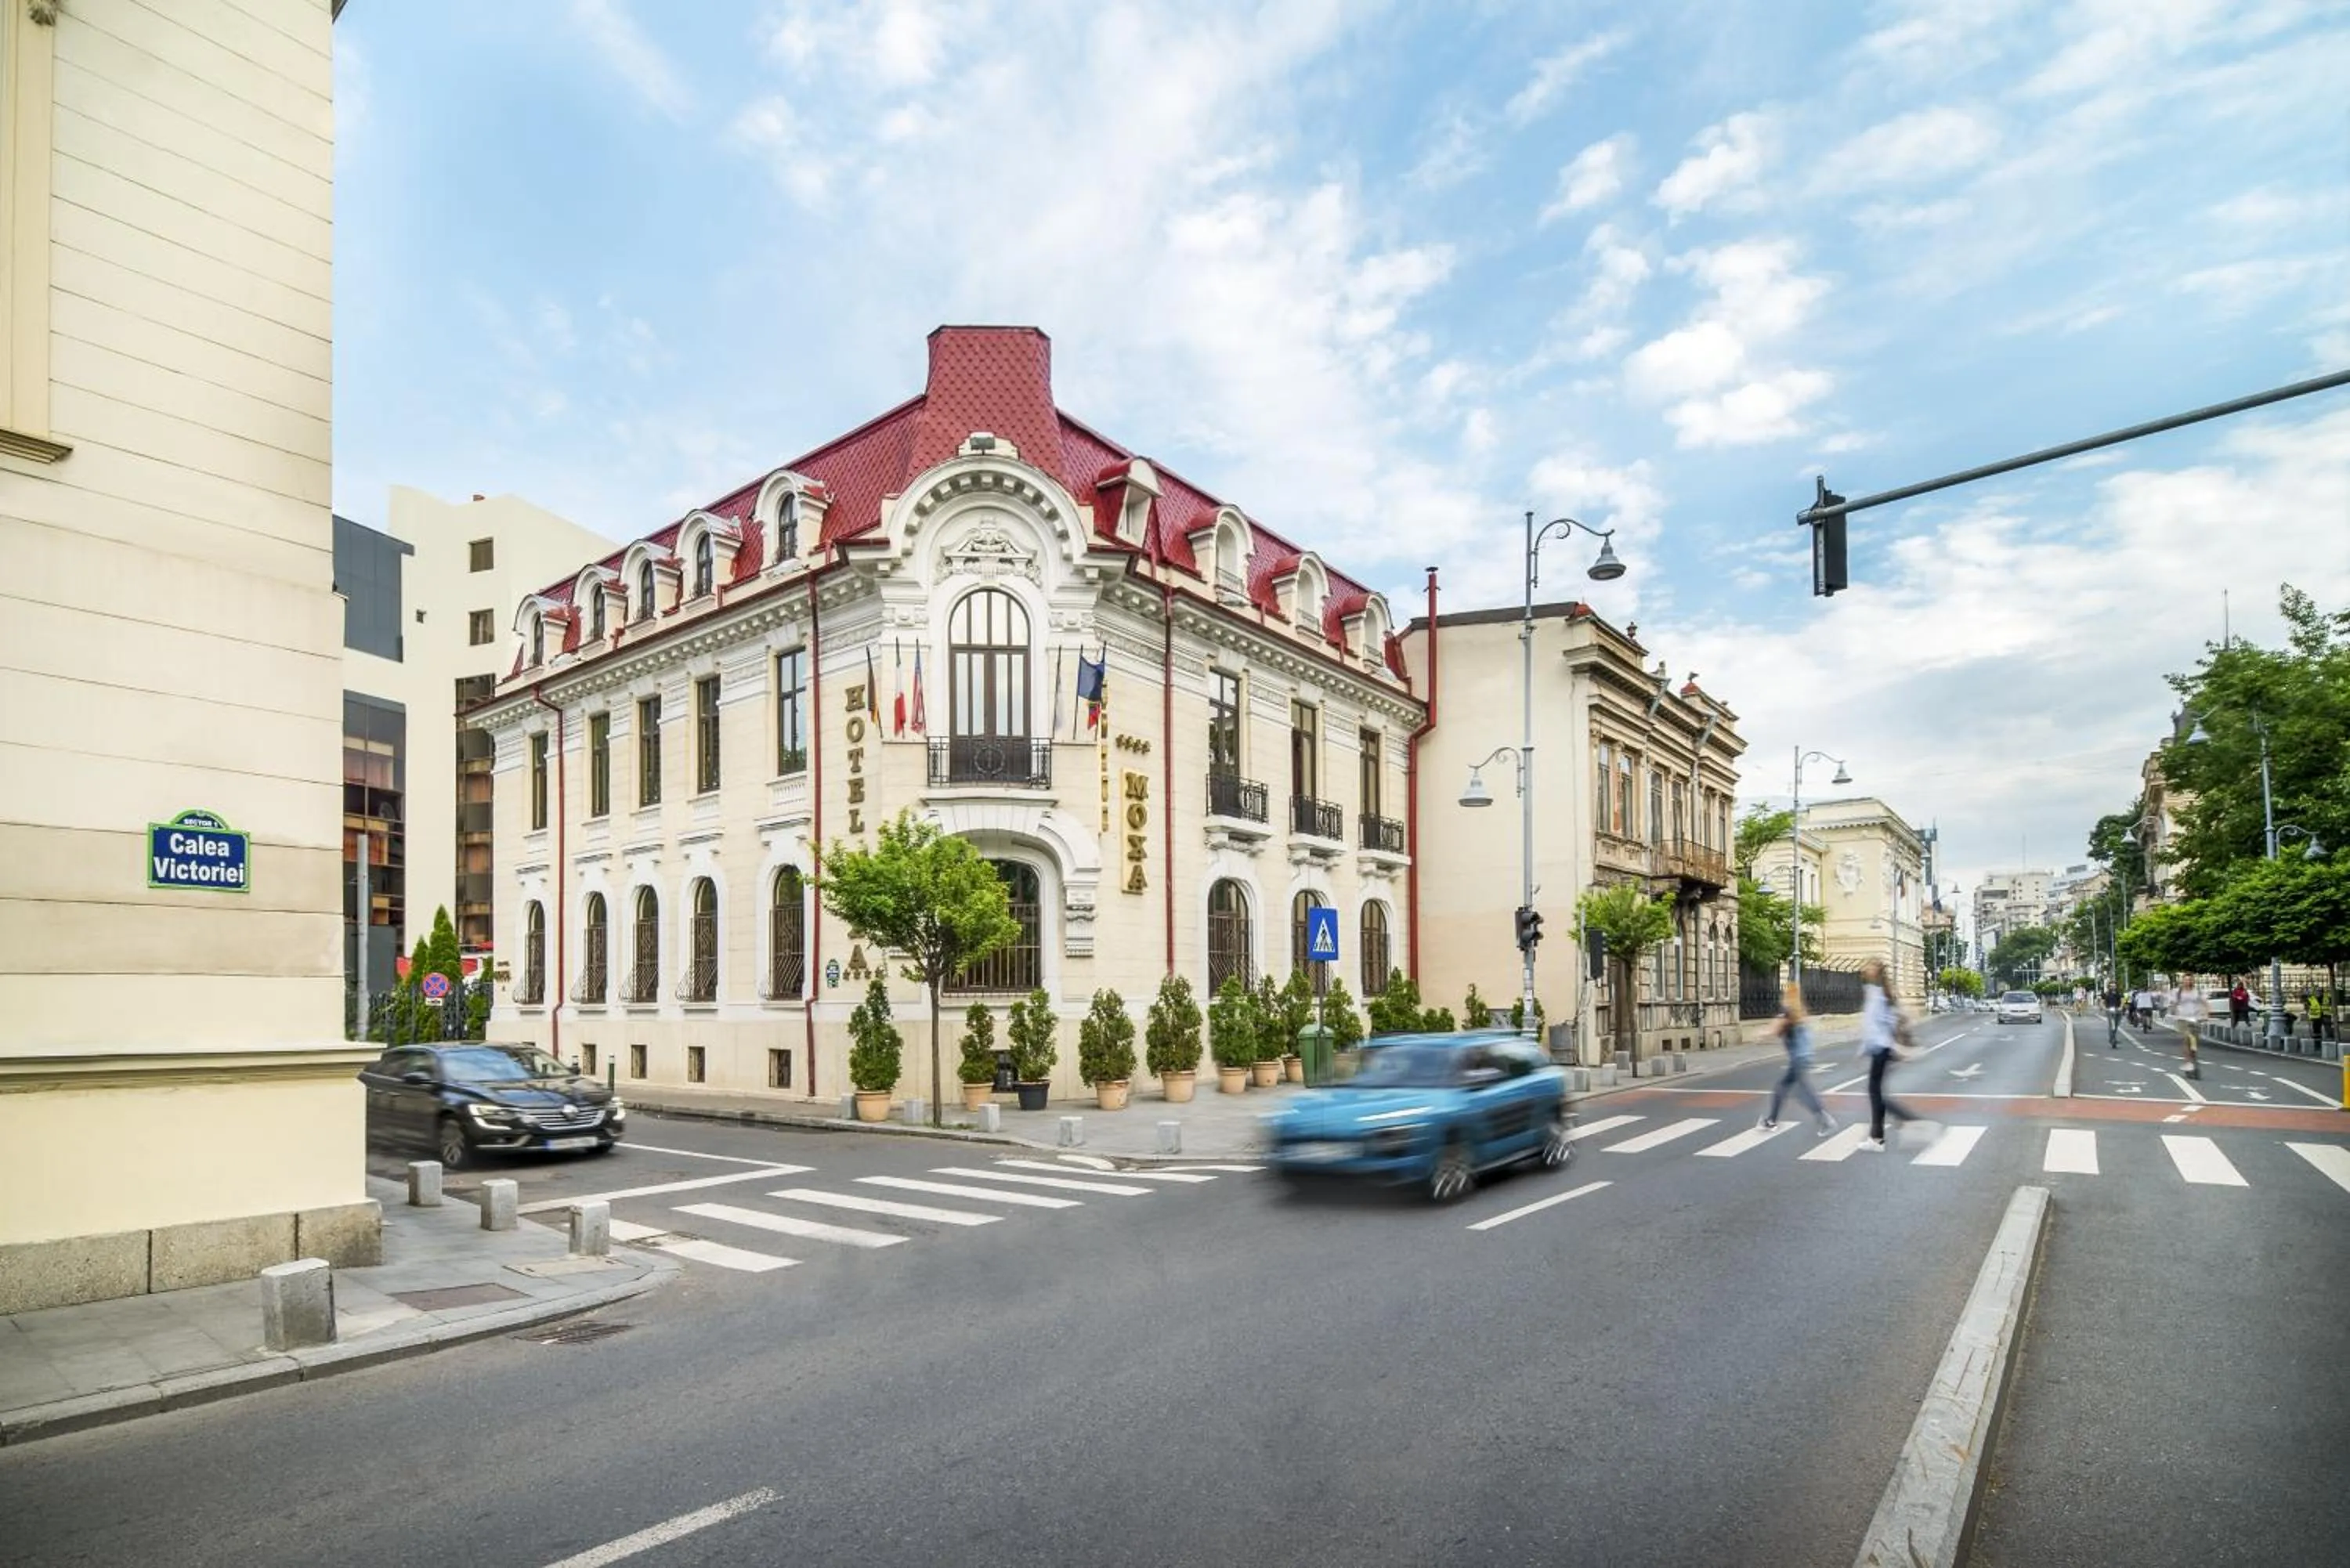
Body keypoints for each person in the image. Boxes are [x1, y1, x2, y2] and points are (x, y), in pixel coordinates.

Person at [1758, 982, 1838, 1137]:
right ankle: (1772, 1120)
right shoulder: (1800, 1012)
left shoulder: (1787, 1011)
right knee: (1792, 1089)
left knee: (1796, 1090)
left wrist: (1762, 1034)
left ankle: (1825, 1120)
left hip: (1797, 1059)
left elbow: (1775, 1029)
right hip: (1805, 1056)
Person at [1858, 958, 1919, 1152]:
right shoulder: (1877, 992)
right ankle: (1877, 1139)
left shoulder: (1877, 994)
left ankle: (1907, 1120)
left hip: (1880, 1048)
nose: (1865, 968)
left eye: (1869, 966)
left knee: (1876, 1094)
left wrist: (1869, 1047)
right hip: (1881, 1048)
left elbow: (1877, 1025)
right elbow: (1880, 1023)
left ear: (1876, 970)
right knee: (1876, 1093)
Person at [2171, 977, 2206, 1080]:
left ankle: (2193, 1058)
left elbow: (2205, 1004)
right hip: (2183, 1020)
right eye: (2186, 980)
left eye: (2190, 980)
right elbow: (2174, 1004)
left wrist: (2207, 1014)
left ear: (2193, 981)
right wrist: (2175, 1013)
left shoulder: (2198, 992)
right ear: (2183, 981)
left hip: (2195, 1019)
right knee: (2187, 1039)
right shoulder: (2179, 992)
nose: (2188, 982)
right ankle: (2187, 1062)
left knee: (2195, 1041)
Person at [2102, 982, 2124, 1046]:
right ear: (2109, 987)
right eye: (2111, 986)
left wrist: (2121, 1007)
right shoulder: (2106, 994)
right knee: (2112, 1025)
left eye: (2114, 986)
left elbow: (2122, 1000)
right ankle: (2112, 1039)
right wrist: (2105, 1008)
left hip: (2118, 1010)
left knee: (2116, 1025)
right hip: (2109, 1010)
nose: (2113, 987)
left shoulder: (2119, 993)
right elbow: (2102, 1002)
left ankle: (2113, 1037)